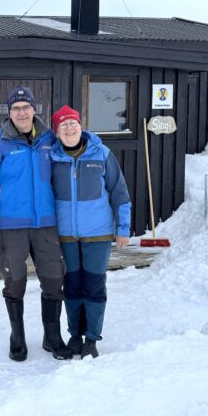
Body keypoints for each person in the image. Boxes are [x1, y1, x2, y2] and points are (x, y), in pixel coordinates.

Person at [0, 86, 71, 362]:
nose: (21, 112)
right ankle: (17, 336)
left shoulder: (49, 139)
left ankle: (52, 337)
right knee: (14, 281)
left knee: (54, 281)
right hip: (11, 225)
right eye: (15, 108)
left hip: (47, 223)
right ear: (9, 112)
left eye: (25, 107)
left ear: (34, 109)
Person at [49, 105, 131, 358]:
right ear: (57, 132)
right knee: (72, 285)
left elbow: (120, 192)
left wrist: (123, 228)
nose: (70, 128)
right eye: (64, 125)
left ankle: (92, 338)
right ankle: (75, 335)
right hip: (66, 235)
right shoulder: (52, 158)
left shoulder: (101, 153)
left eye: (73, 123)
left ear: (81, 126)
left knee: (94, 285)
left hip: (98, 234)